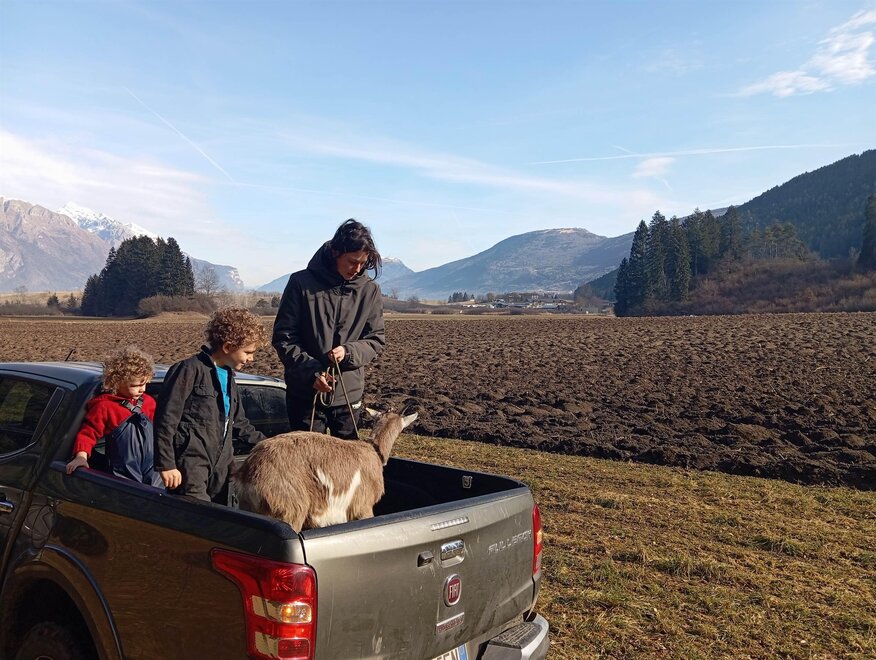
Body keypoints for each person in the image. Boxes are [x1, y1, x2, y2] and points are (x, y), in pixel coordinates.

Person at [273, 218, 385, 439]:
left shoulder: (370, 290)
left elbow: (375, 339)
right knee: (307, 459)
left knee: (348, 460)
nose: (357, 269)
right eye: (352, 262)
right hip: (305, 395)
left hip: (348, 396)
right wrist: (311, 373)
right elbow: (284, 337)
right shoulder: (300, 283)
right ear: (335, 253)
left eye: (363, 263)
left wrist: (349, 352)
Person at [154, 308, 267, 502]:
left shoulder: (229, 377)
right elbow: (166, 420)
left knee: (221, 517)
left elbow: (240, 425)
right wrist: (167, 464)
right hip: (191, 465)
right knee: (198, 516)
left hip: (222, 467)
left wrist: (270, 445)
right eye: (248, 352)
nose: (251, 359)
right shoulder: (189, 370)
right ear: (228, 347)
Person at [66, 346, 163, 488]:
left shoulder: (148, 402)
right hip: (122, 474)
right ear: (117, 382)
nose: (142, 389)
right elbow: (88, 433)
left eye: (145, 384)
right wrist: (81, 457)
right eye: (135, 385)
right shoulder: (105, 406)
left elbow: (161, 431)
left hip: (154, 470)